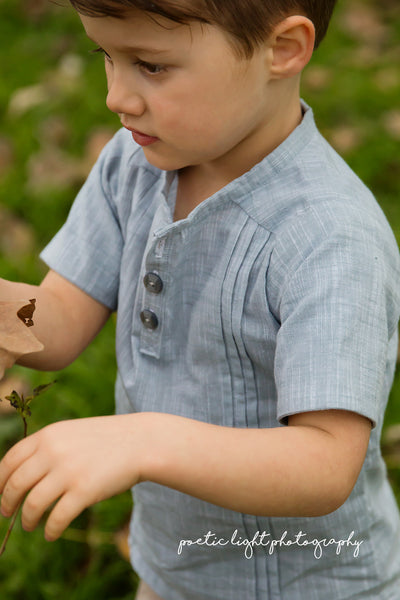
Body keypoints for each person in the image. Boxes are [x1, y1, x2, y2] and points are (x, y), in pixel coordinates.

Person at [0, 0, 399, 598]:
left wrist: (141, 439)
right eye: (107, 56)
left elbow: (325, 464)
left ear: (282, 50)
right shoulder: (133, 163)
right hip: (173, 569)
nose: (117, 97)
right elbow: (58, 318)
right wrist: (7, 314)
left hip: (309, 584)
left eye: (152, 66)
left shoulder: (329, 236)